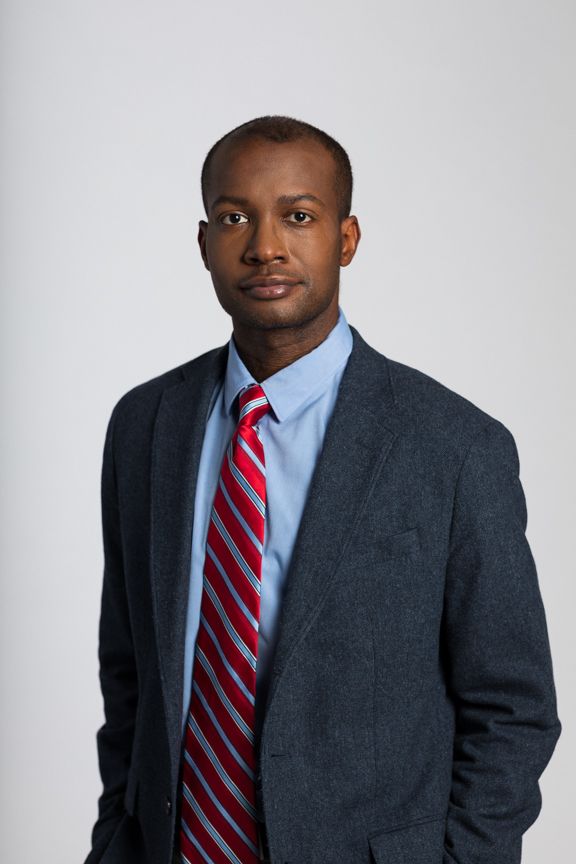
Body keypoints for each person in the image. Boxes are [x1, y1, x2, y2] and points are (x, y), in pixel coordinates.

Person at [84, 116, 561, 864]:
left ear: (346, 239)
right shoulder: (147, 424)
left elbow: (513, 707)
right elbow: (130, 672)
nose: (265, 246)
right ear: (204, 241)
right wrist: (118, 837)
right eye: (235, 217)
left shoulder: (455, 447)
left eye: (298, 217)